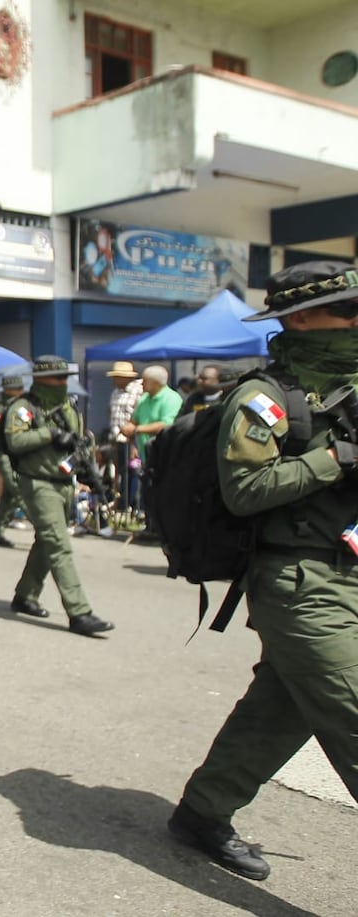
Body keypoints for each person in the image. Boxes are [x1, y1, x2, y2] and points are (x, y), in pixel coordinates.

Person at [169, 260, 358, 881]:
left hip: (349, 572)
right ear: (301, 319)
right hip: (300, 585)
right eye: (351, 312)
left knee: (280, 710)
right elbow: (245, 489)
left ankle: (203, 810)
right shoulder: (263, 397)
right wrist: (336, 459)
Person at [2, 356, 114, 636]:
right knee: (59, 544)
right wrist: (49, 434)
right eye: (58, 378)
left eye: (66, 377)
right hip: (38, 484)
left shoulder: (68, 406)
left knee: (46, 541)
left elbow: (80, 441)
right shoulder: (23, 407)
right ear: (41, 379)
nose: (64, 383)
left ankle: (25, 595)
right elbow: (15, 441)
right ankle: (80, 612)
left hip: (64, 482)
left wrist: (87, 466)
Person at [0, 373, 27, 547]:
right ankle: (45, 529)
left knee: (8, 498)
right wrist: (5, 430)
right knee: (19, 491)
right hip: (6, 456)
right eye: (16, 389)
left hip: (21, 456)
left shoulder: (22, 408)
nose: (19, 392)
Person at [106, 361, 143, 514]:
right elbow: (112, 413)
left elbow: (138, 416)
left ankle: (133, 505)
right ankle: (121, 504)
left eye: (117, 377)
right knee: (120, 472)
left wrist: (134, 441)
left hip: (132, 440)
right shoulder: (115, 392)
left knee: (133, 472)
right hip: (117, 439)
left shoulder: (138, 391)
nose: (114, 380)